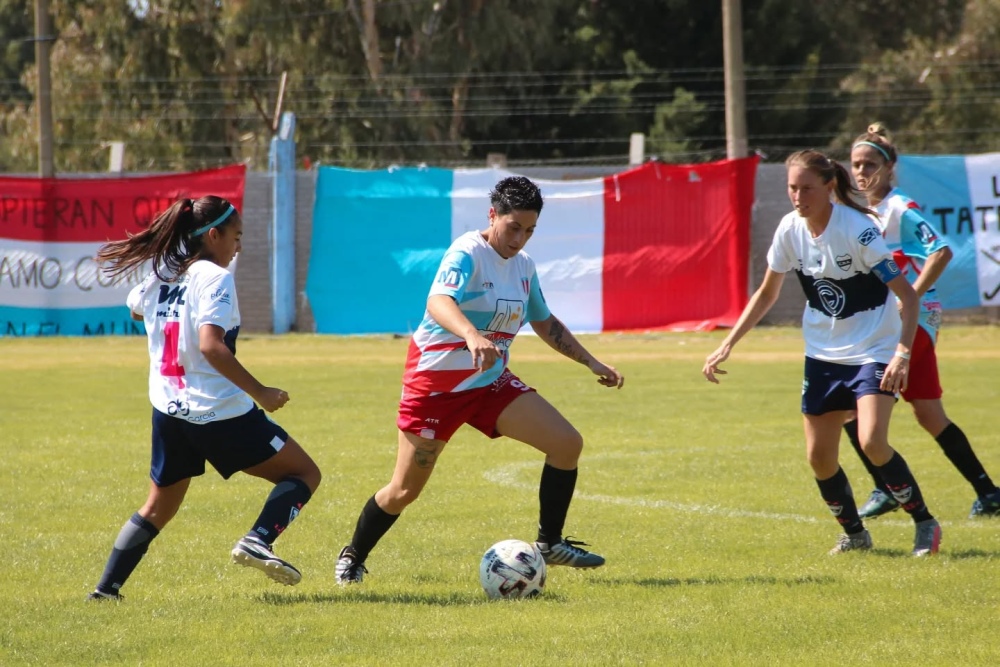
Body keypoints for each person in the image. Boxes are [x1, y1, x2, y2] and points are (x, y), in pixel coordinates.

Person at [333, 175, 624, 585]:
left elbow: (543, 320)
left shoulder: (524, 267)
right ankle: (353, 555)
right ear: (493, 215)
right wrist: (471, 334)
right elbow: (438, 300)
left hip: (489, 385)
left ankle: (548, 543)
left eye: (529, 231)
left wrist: (591, 362)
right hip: (435, 389)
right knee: (403, 491)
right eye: (513, 227)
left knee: (566, 443)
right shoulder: (468, 252)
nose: (520, 239)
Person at [702, 149, 942, 556]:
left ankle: (925, 522)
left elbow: (906, 296)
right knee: (819, 458)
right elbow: (766, 293)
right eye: (792, 187)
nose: (798, 196)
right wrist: (728, 342)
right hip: (823, 353)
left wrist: (902, 352)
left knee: (872, 442)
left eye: (806, 188)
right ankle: (855, 534)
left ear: (829, 187)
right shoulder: (789, 229)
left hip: (874, 348)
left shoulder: (859, 229)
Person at [87, 196, 321, 600]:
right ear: (214, 235)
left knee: (157, 507)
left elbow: (136, 310)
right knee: (303, 474)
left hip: (169, 410)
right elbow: (212, 346)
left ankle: (105, 591)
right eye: (236, 237)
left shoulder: (163, 272)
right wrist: (261, 392)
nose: (239, 246)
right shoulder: (214, 277)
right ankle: (257, 540)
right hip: (218, 411)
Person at [847, 123, 1000, 519]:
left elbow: (942, 251)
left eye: (870, 164)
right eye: (856, 165)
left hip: (909, 321)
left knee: (848, 406)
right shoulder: (862, 211)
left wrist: (910, 294)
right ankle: (989, 493)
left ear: (890, 167)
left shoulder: (900, 208)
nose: (862, 172)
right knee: (929, 414)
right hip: (888, 322)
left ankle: (885, 488)